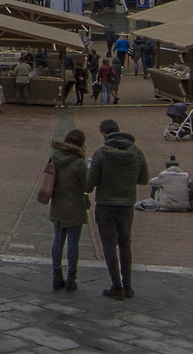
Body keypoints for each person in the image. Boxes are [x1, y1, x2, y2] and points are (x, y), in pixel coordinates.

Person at [85, 117, 149, 302]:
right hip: (127, 204)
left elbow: (89, 185)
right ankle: (128, 284)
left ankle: (116, 285)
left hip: (106, 204)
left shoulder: (101, 153)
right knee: (125, 244)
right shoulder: (136, 152)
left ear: (104, 134)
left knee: (109, 246)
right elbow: (143, 178)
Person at [43, 126, 90, 291]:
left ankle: (57, 275)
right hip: (75, 206)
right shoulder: (79, 163)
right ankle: (71, 277)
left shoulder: (54, 157)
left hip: (57, 204)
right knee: (73, 242)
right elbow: (87, 186)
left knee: (57, 240)